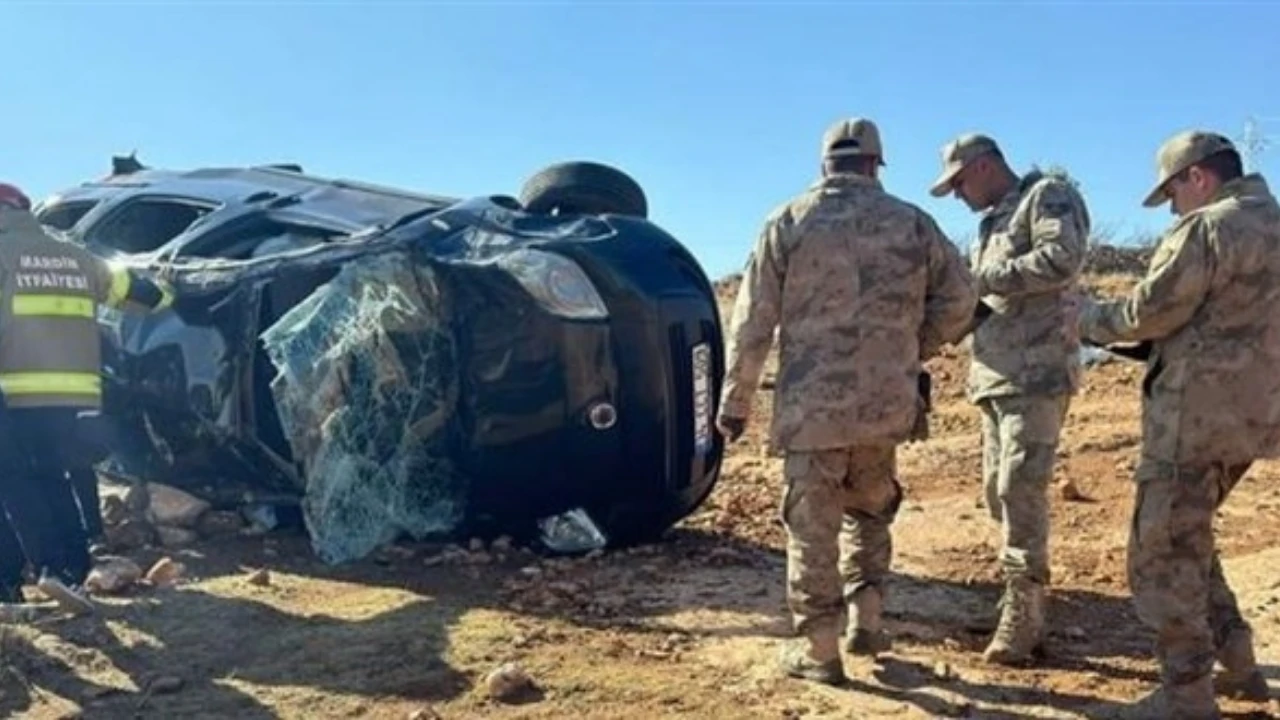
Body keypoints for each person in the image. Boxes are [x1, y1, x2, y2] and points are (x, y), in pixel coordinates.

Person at [717, 118, 977, 685]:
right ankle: (868, 620)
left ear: (824, 163)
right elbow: (962, 298)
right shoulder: (913, 222)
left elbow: (753, 319)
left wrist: (735, 401)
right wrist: (911, 346)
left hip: (813, 410)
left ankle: (820, 651)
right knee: (870, 510)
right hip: (887, 405)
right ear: (876, 164)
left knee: (812, 528)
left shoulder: (788, 220)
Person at [1075, 130, 1277, 718]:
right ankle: (1238, 660)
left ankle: (1186, 698)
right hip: (1256, 421)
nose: (1172, 210)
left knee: (1160, 556)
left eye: (1172, 194)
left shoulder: (1208, 228)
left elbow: (1150, 311)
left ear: (1198, 177)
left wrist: (1085, 317)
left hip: (1192, 422)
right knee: (1190, 538)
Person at [928, 133, 1090, 665]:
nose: (957, 195)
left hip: (1037, 374)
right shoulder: (990, 223)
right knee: (996, 494)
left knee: (1019, 490)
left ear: (982, 167)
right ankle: (1021, 599)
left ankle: (1024, 614)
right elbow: (985, 303)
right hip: (995, 378)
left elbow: (1061, 259)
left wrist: (983, 276)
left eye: (958, 183)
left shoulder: (1046, 196)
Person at [0, 182, 174, 613]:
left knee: (14, 484)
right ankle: (70, 574)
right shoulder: (78, 258)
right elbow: (153, 297)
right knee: (55, 479)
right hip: (74, 396)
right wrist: (169, 279)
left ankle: (19, 580)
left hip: (13, 394)